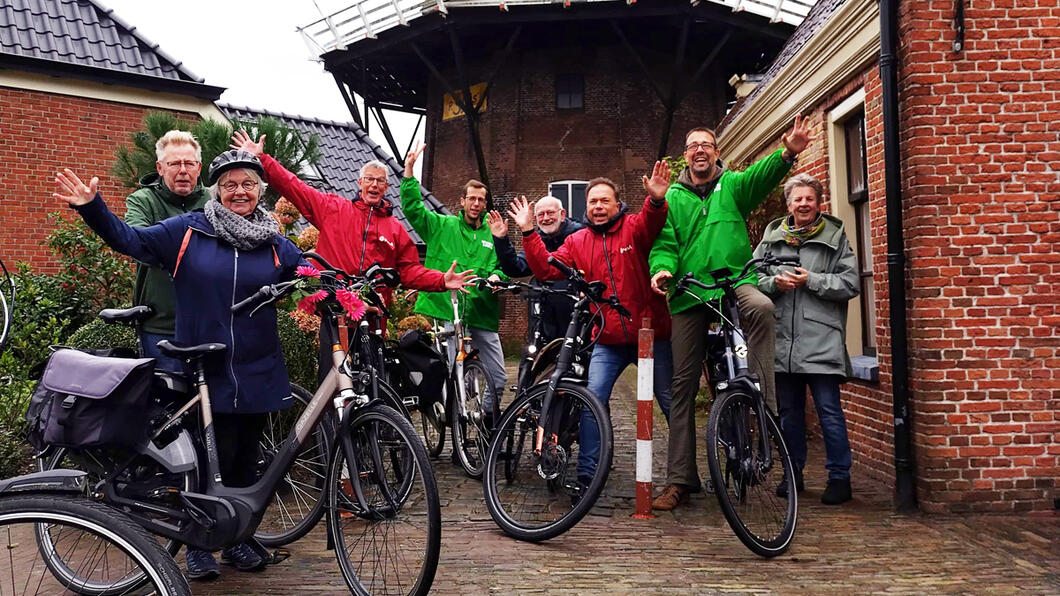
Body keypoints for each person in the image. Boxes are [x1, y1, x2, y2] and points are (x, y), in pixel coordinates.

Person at [54, 151, 305, 580]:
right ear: (217, 191)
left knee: (246, 458)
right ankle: (197, 546)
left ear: (260, 190)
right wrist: (92, 208)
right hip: (204, 362)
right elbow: (131, 241)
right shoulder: (187, 231)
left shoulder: (277, 244)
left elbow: (312, 275)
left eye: (248, 184)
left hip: (256, 363)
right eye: (230, 185)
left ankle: (239, 540)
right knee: (203, 461)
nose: (239, 191)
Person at [648, 116, 812, 511]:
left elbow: (762, 175)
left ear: (716, 152)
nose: (700, 150)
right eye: (693, 146)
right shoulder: (672, 197)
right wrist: (662, 268)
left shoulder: (733, 186)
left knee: (761, 305)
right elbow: (664, 242)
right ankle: (679, 480)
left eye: (707, 144)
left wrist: (788, 152)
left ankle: (762, 400)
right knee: (682, 386)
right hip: (691, 291)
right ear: (684, 156)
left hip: (734, 280)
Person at [229, 131, 472, 378]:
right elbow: (295, 187)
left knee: (372, 382)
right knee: (335, 380)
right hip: (336, 315)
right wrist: (264, 159)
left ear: (387, 188)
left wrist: (441, 280)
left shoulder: (396, 230)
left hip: (373, 320)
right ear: (360, 183)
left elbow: (409, 270)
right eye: (369, 179)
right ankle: (330, 418)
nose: (374, 185)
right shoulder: (334, 209)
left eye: (380, 181)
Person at [516, 163, 673, 490]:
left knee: (671, 402)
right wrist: (529, 233)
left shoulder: (633, 228)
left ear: (617, 205)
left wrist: (656, 200)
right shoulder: (578, 241)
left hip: (651, 334)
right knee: (592, 400)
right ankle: (588, 475)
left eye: (604, 201)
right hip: (608, 338)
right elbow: (548, 269)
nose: (598, 207)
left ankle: (684, 476)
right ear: (584, 208)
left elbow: (651, 222)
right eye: (592, 202)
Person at [754, 174, 859, 505]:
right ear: (789, 204)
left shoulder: (836, 236)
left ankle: (840, 478)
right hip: (783, 340)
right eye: (797, 199)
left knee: (829, 411)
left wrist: (810, 279)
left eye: (809, 199)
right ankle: (793, 473)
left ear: (819, 202)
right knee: (789, 413)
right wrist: (774, 284)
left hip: (821, 339)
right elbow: (752, 276)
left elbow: (850, 283)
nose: (803, 204)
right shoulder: (771, 237)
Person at [400, 144, 507, 419]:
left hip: (482, 310)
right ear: (462, 201)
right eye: (471, 198)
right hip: (451, 308)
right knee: (456, 371)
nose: (476, 204)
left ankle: (485, 419)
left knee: (498, 376)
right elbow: (414, 211)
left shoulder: (492, 233)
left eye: (481, 200)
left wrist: (498, 276)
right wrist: (409, 175)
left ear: (486, 203)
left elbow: (504, 265)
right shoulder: (442, 225)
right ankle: (457, 421)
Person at [125, 130, 210, 373]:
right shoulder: (142, 201)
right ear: (160, 168)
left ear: (199, 167)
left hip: (211, 322)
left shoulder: (215, 200)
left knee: (210, 404)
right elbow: (139, 245)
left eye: (189, 163)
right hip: (162, 324)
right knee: (167, 402)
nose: (183, 170)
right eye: (174, 163)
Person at [486, 194, 583, 346]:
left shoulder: (579, 236)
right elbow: (517, 268)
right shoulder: (535, 240)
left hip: (576, 317)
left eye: (550, 213)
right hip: (546, 318)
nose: (546, 218)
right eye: (540, 215)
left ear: (562, 214)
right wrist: (501, 240)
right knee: (530, 361)